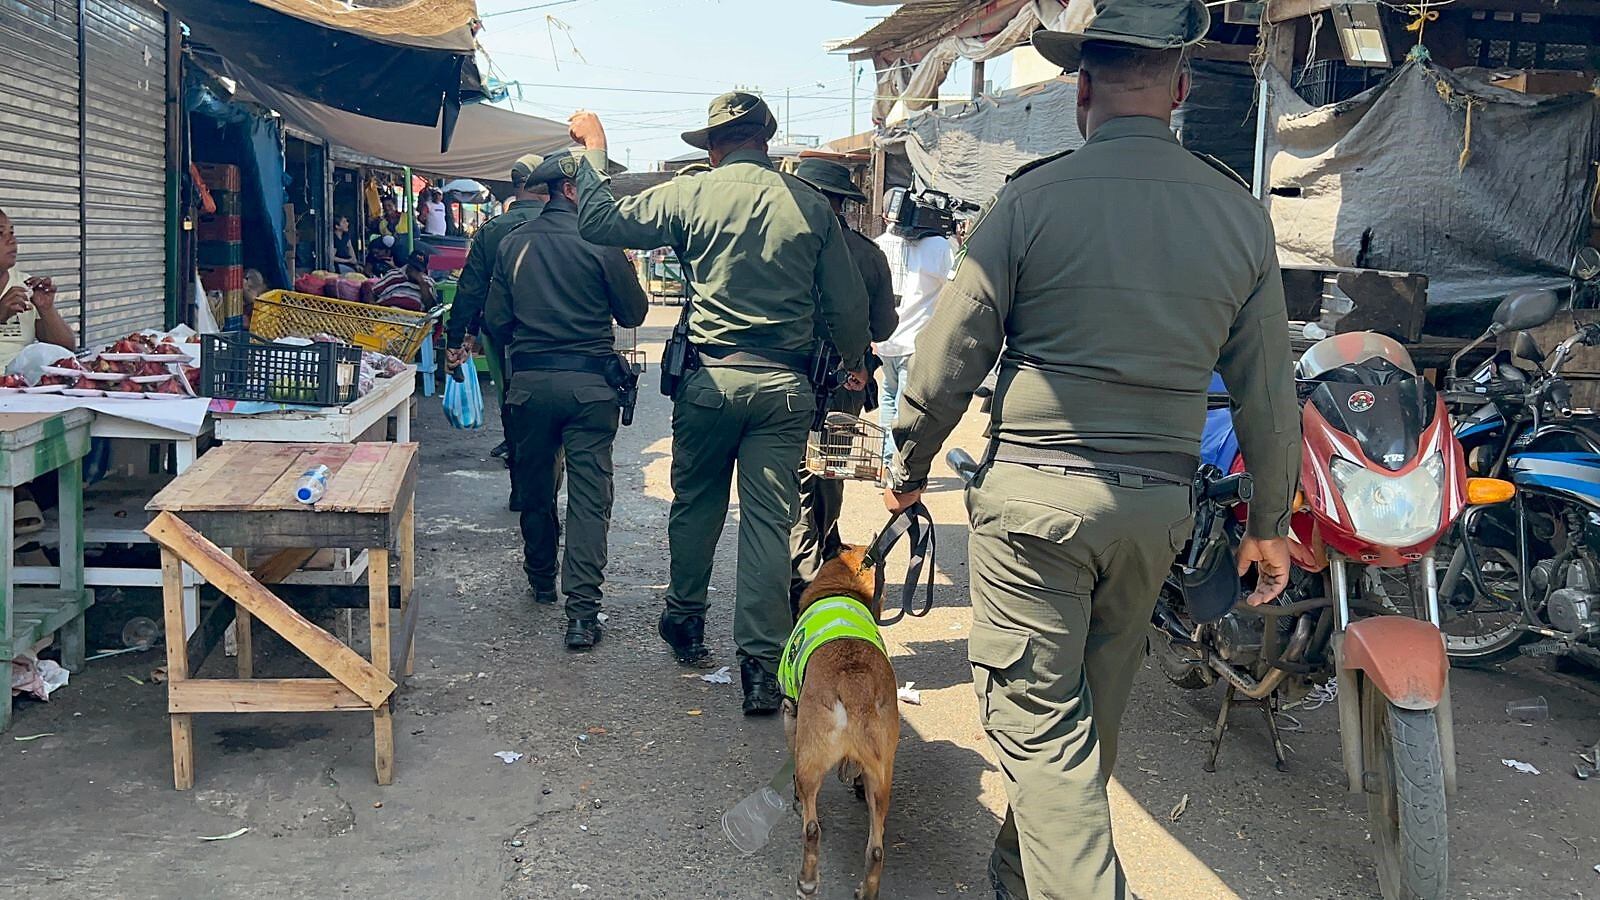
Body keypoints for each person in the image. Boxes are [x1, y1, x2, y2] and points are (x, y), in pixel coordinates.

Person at [881, 2, 1302, 896]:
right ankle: (1015, 873)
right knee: (1089, 719)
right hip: (1152, 513)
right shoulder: (1238, 216)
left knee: (1039, 723)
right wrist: (1270, 519)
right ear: (1181, 91)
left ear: (1081, 91)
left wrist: (906, 469)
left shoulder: (1028, 201)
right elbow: (1270, 389)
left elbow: (948, 357)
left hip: (1036, 506)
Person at [567, 92, 870, 715]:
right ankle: (759, 668)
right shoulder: (811, 204)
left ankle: (684, 619)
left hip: (710, 383)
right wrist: (857, 364)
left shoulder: (690, 194)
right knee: (768, 522)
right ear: (766, 139)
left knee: (698, 504)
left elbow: (599, 223)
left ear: (712, 145)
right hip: (786, 392)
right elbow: (847, 304)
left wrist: (594, 153)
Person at [484, 151, 649, 649]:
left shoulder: (512, 243)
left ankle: (540, 579)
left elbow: (496, 322)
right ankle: (582, 615)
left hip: (530, 387)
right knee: (588, 500)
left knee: (535, 487)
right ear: (573, 190)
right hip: (590, 389)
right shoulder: (602, 243)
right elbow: (634, 312)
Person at [785, 158, 898, 615]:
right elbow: (885, 326)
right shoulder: (867, 253)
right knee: (829, 473)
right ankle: (822, 559)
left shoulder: (787, 246)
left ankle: (807, 579)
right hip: (846, 380)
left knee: (797, 480)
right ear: (841, 203)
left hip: (793, 379)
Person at [447, 154, 550, 478]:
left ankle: (518, 467)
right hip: (556, 333)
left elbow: (470, 289)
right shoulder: (564, 225)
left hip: (502, 332)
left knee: (510, 395)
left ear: (516, 184)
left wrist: (456, 338)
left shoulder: (492, 231)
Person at [873, 192, 953, 464]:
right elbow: (954, 287)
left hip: (885, 342)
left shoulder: (879, 245)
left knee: (888, 395)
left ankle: (886, 461)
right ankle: (899, 464)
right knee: (906, 406)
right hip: (917, 343)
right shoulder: (940, 247)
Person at [0, 208, 76, 368]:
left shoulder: (23, 284)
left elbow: (66, 350)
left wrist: (46, 309)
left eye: (12, 233)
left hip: (20, 385)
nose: (12, 241)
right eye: (1, 234)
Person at [370, 249, 436, 311]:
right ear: (408, 265)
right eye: (412, 267)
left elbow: (430, 308)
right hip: (388, 314)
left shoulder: (429, 282)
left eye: (418, 269)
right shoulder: (393, 275)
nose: (414, 271)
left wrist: (422, 283)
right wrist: (373, 307)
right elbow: (373, 292)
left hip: (413, 318)